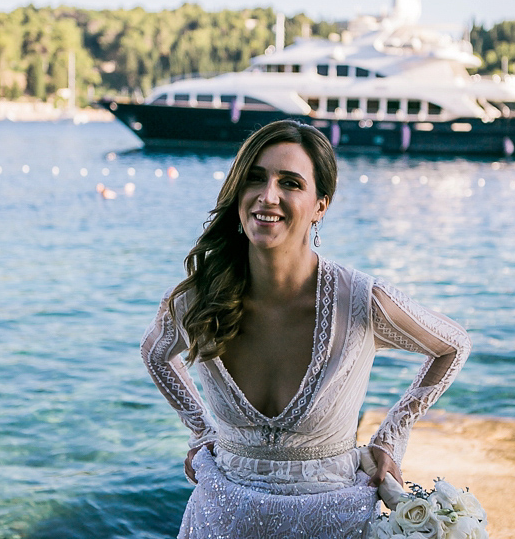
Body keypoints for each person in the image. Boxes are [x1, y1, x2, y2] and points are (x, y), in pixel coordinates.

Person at [141, 119, 471, 538]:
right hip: (220, 523)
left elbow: (452, 345)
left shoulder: (360, 301)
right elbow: (155, 353)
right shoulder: (197, 300)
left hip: (334, 525)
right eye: (255, 179)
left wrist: (391, 438)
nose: (268, 195)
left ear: (320, 206)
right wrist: (200, 430)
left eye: (291, 183)